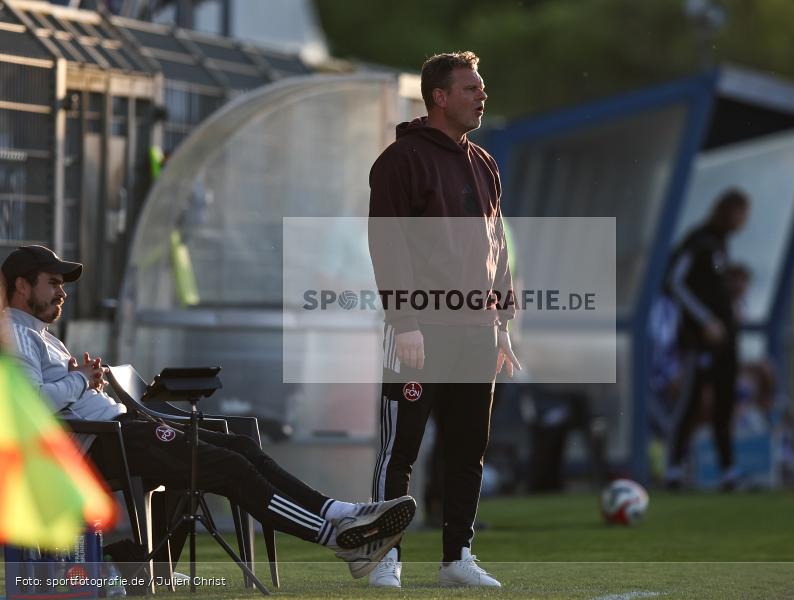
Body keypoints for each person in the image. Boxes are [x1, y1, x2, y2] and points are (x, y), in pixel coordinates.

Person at [2, 245, 416, 580]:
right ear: (21, 285)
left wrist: (84, 379)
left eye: (62, 284)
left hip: (119, 431)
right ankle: (340, 539)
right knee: (226, 467)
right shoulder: (16, 333)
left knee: (238, 446)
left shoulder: (37, 334)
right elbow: (33, 403)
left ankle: (338, 512)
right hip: (104, 443)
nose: (62, 292)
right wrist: (80, 381)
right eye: (53, 283)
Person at [366, 51, 519, 588]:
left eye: (482, 87)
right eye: (472, 89)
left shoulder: (485, 164)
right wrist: (404, 321)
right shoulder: (400, 160)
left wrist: (502, 321)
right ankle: (384, 555)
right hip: (419, 332)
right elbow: (388, 245)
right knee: (400, 449)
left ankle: (458, 558)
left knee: (468, 449)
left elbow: (497, 248)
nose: (482, 96)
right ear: (440, 97)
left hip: (477, 333)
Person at [663, 189, 750, 490]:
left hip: (726, 340)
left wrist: (731, 309)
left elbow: (716, 289)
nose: (744, 221)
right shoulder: (699, 241)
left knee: (725, 403)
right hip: (700, 340)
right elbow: (674, 282)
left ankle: (729, 471)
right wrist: (706, 321)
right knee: (691, 401)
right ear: (728, 211)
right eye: (741, 214)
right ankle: (672, 469)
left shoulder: (722, 246)